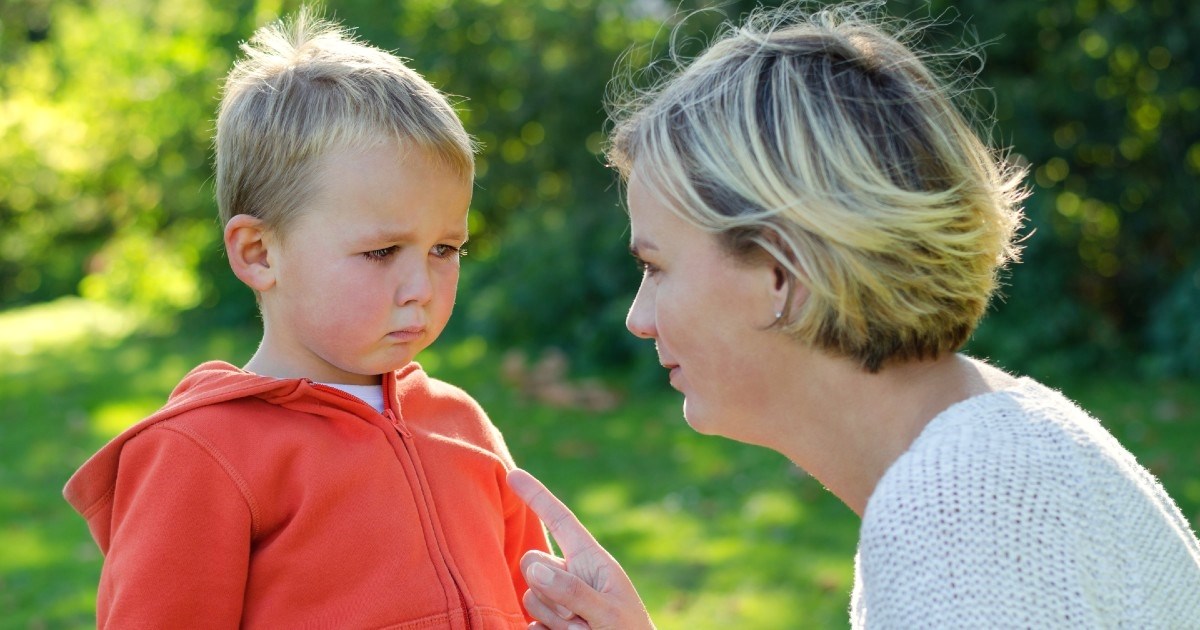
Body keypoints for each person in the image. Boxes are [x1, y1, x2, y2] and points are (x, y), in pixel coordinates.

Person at [507, 2, 1200, 628]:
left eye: (656, 267)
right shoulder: (998, 443)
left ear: (782, 273)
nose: (639, 317)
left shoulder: (960, 521)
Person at [63, 9, 548, 628]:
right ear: (260, 253)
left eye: (445, 249)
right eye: (380, 252)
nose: (421, 287)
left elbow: (531, 606)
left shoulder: (463, 427)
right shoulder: (202, 455)